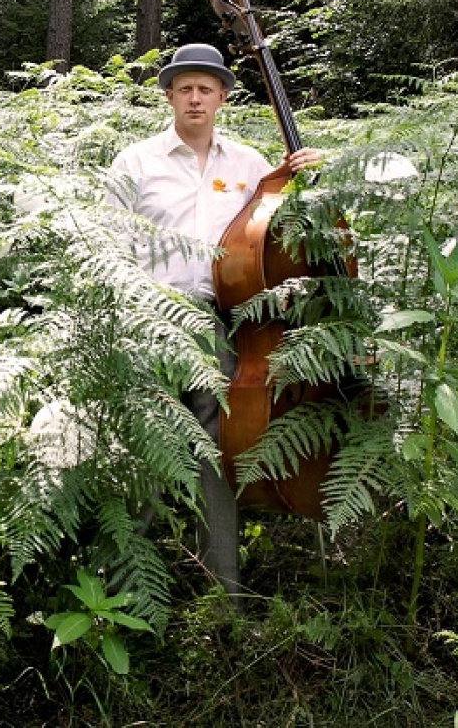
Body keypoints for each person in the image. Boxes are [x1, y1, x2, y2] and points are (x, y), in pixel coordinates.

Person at [108, 43, 321, 602]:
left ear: (223, 96)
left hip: (224, 322)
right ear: (169, 97)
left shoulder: (251, 167)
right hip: (150, 313)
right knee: (150, 442)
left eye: (205, 88)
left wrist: (302, 178)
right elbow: (109, 247)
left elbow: (285, 232)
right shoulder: (136, 162)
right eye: (184, 88)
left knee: (217, 446)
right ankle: (122, 589)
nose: (195, 98)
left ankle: (223, 592)